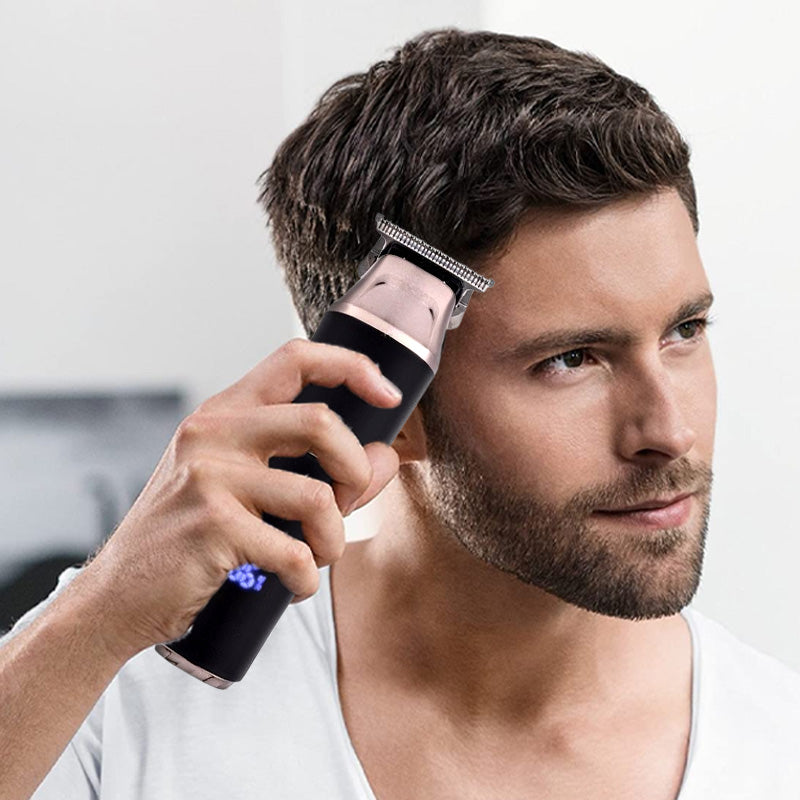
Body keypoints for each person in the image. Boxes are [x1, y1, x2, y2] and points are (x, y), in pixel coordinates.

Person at [2, 27, 799, 800]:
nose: (669, 432)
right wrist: (98, 615)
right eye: (571, 359)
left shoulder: (778, 747)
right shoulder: (110, 695)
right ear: (383, 392)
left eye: (685, 331)